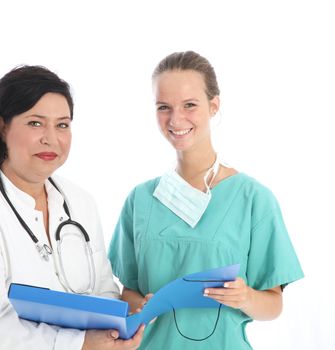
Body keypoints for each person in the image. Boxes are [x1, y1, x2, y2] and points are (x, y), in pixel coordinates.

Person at [0, 65, 144, 350]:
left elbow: (101, 288)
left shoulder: (80, 203)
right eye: (35, 123)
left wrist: (120, 325)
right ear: (3, 127)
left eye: (62, 124)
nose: (51, 138)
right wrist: (80, 344)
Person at [108, 51, 304, 349]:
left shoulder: (253, 199)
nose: (176, 119)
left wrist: (246, 297)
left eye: (190, 105)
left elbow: (273, 304)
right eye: (164, 107)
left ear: (214, 106)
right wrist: (142, 305)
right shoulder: (141, 200)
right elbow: (128, 291)